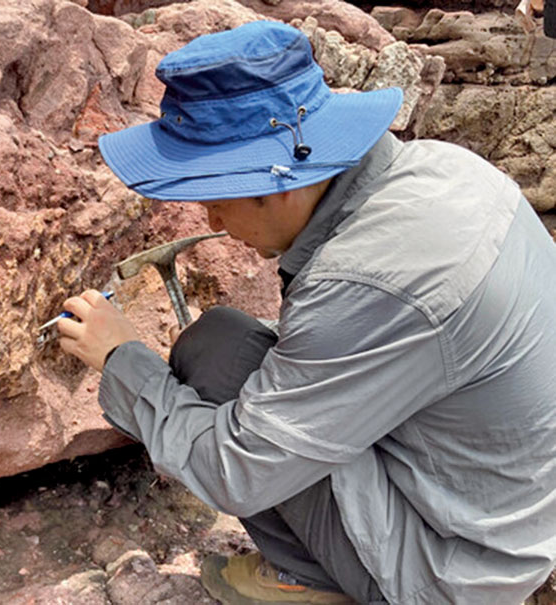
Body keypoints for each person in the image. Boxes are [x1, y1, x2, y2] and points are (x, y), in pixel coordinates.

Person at [54, 20, 556, 605]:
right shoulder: (445, 167)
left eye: (217, 199)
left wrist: (121, 358)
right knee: (224, 340)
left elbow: (235, 473)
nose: (213, 224)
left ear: (285, 181)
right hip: (512, 515)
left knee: (215, 362)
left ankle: (317, 579)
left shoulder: (365, 279)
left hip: (452, 571)